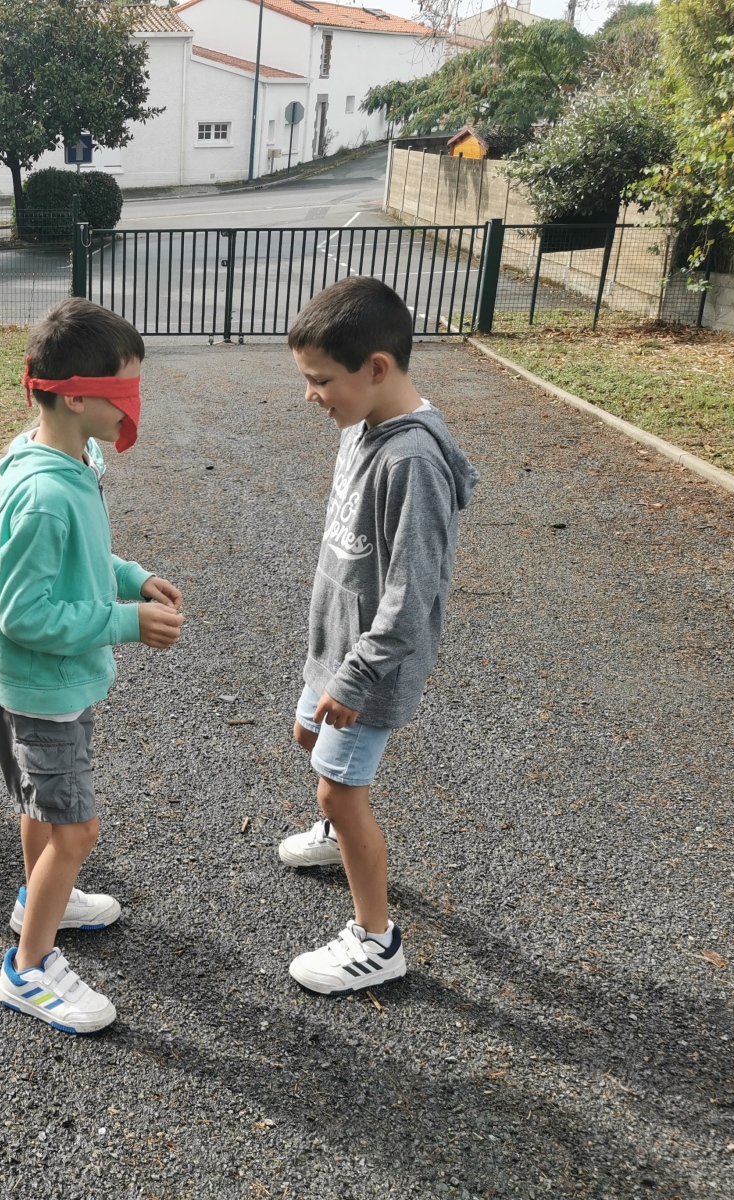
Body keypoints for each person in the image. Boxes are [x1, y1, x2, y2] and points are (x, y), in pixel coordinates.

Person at [0, 298, 185, 1034]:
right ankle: (28, 970)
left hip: (46, 682)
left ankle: (40, 902)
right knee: (76, 830)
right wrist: (125, 622)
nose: (133, 404)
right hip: (43, 690)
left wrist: (130, 578)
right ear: (73, 395)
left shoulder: (72, 459)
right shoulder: (42, 493)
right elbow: (23, 614)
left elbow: (84, 557)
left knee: (44, 810)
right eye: (124, 388)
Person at [276, 276, 478, 995]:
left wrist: (357, 675)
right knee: (308, 738)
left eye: (320, 379)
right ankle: (338, 840)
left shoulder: (412, 460)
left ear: (377, 368)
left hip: (372, 665)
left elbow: (412, 592)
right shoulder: (362, 426)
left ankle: (376, 939)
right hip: (335, 647)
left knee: (339, 791)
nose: (310, 395)